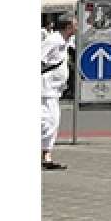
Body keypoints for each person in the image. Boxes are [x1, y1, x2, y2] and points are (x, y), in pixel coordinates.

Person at [41, 13, 74, 170]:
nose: (78, 26)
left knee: (52, 122)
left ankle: (46, 155)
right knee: (48, 122)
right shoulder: (53, 40)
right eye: (76, 23)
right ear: (68, 26)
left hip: (54, 90)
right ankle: (45, 155)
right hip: (44, 90)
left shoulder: (65, 40)